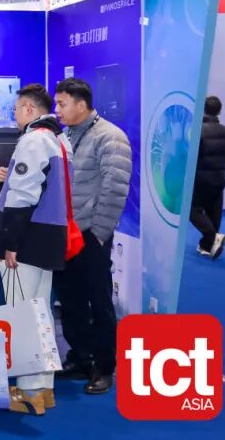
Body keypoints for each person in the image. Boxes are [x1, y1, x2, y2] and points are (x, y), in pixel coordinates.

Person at [0, 83, 71, 416]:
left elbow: (23, 195)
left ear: (28, 109)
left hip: (27, 238)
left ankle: (27, 392)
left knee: (22, 315)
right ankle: (42, 388)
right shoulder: (58, 139)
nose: (14, 116)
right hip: (47, 237)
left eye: (15, 110)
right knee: (39, 314)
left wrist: (10, 242)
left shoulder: (34, 140)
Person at [51, 78, 131, 395]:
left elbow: (115, 188)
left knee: (98, 302)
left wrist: (98, 234)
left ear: (81, 105)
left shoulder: (110, 137)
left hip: (91, 235)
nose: (57, 110)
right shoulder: (65, 135)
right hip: (65, 234)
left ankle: (103, 366)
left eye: (62, 104)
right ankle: (81, 357)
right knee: (70, 300)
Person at [190, 95, 225, 260]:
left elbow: (191, 156)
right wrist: (219, 165)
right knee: (214, 210)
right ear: (219, 111)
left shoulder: (196, 131)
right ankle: (207, 245)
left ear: (202, 109)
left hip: (199, 178)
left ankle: (212, 236)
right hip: (219, 177)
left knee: (191, 209)